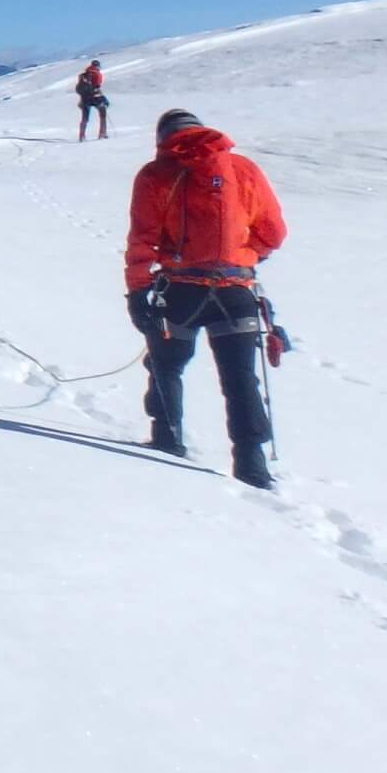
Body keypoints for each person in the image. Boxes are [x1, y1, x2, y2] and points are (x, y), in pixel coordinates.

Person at [123, 108, 288, 489]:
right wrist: (249, 254)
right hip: (235, 292)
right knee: (240, 377)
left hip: (179, 290)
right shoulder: (242, 168)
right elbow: (274, 231)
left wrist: (138, 292)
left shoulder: (154, 175)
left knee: (166, 364)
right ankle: (251, 463)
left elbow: (141, 239)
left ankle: (167, 436)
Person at [75, 60, 110, 141]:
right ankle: (102, 133)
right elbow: (97, 86)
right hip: (95, 98)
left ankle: (82, 136)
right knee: (102, 113)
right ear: (98, 66)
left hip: (84, 99)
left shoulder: (83, 75)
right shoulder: (97, 74)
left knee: (85, 118)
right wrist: (104, 99)